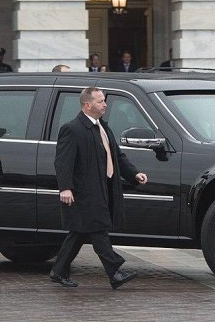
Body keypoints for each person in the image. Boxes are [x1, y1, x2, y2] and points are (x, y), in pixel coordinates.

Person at [50, 87, 148, 289]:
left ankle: (59, 270)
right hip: (84, 192)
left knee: (78, 232)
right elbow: (63, 162)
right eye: (100, 101)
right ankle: (115, 272)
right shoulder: (72, 129)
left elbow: (117, 156)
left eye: (104, 100)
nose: (105, 104)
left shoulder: (103, 127)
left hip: (103, 188)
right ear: (87, 105)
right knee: (98, 229)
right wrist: (65, 188)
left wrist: (133, 174)